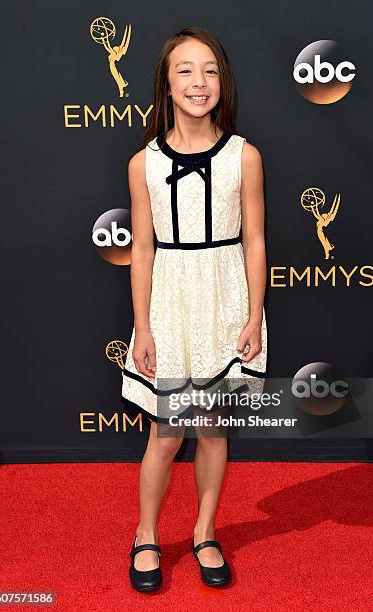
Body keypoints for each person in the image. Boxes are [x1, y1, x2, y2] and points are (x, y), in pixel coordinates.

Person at [121, 25, 268, 592]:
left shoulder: (244, 156)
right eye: (185, 70)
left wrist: (253, 315)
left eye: (209, 70)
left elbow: (254, 241)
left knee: (210, 427)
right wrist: (142, 326)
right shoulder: (144, 164)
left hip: (226, 296)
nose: (198, 82)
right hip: (170, 301)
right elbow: (141, 248)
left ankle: (206, 532)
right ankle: (147, 534)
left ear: (222, 83)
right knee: (165, 431)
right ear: (166, 82)